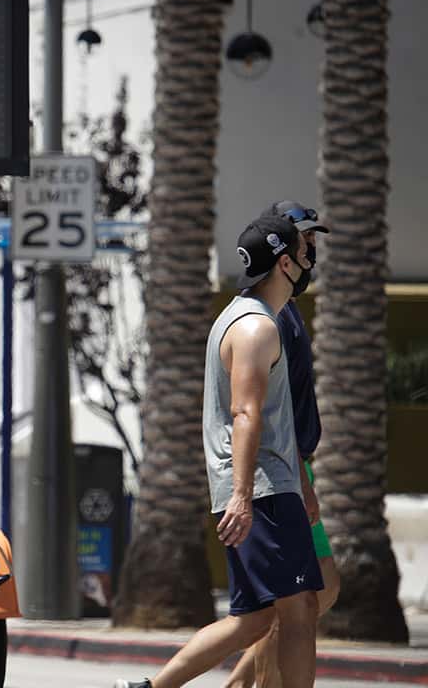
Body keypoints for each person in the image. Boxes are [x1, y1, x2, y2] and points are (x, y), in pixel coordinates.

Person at [116, 216, 323, 688]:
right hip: (261, 490)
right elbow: (245, 414)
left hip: (267, 485)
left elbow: (271, 420)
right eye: (305, 252)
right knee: (300, 609)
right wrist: (244, 497)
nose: (312, 260)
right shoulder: (255, 329)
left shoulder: (244, 317)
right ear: (285, 263)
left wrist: (302, 486)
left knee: (252, 619)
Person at [223, 201, 340, 688]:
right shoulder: (268, 318)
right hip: (282, 468)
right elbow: (265, 410)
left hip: (293, 465)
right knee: (298, 601)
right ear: (283, 249)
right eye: (305, 239)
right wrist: (295, 480)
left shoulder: (284, 309)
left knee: (311, 594)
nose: (312, 248)